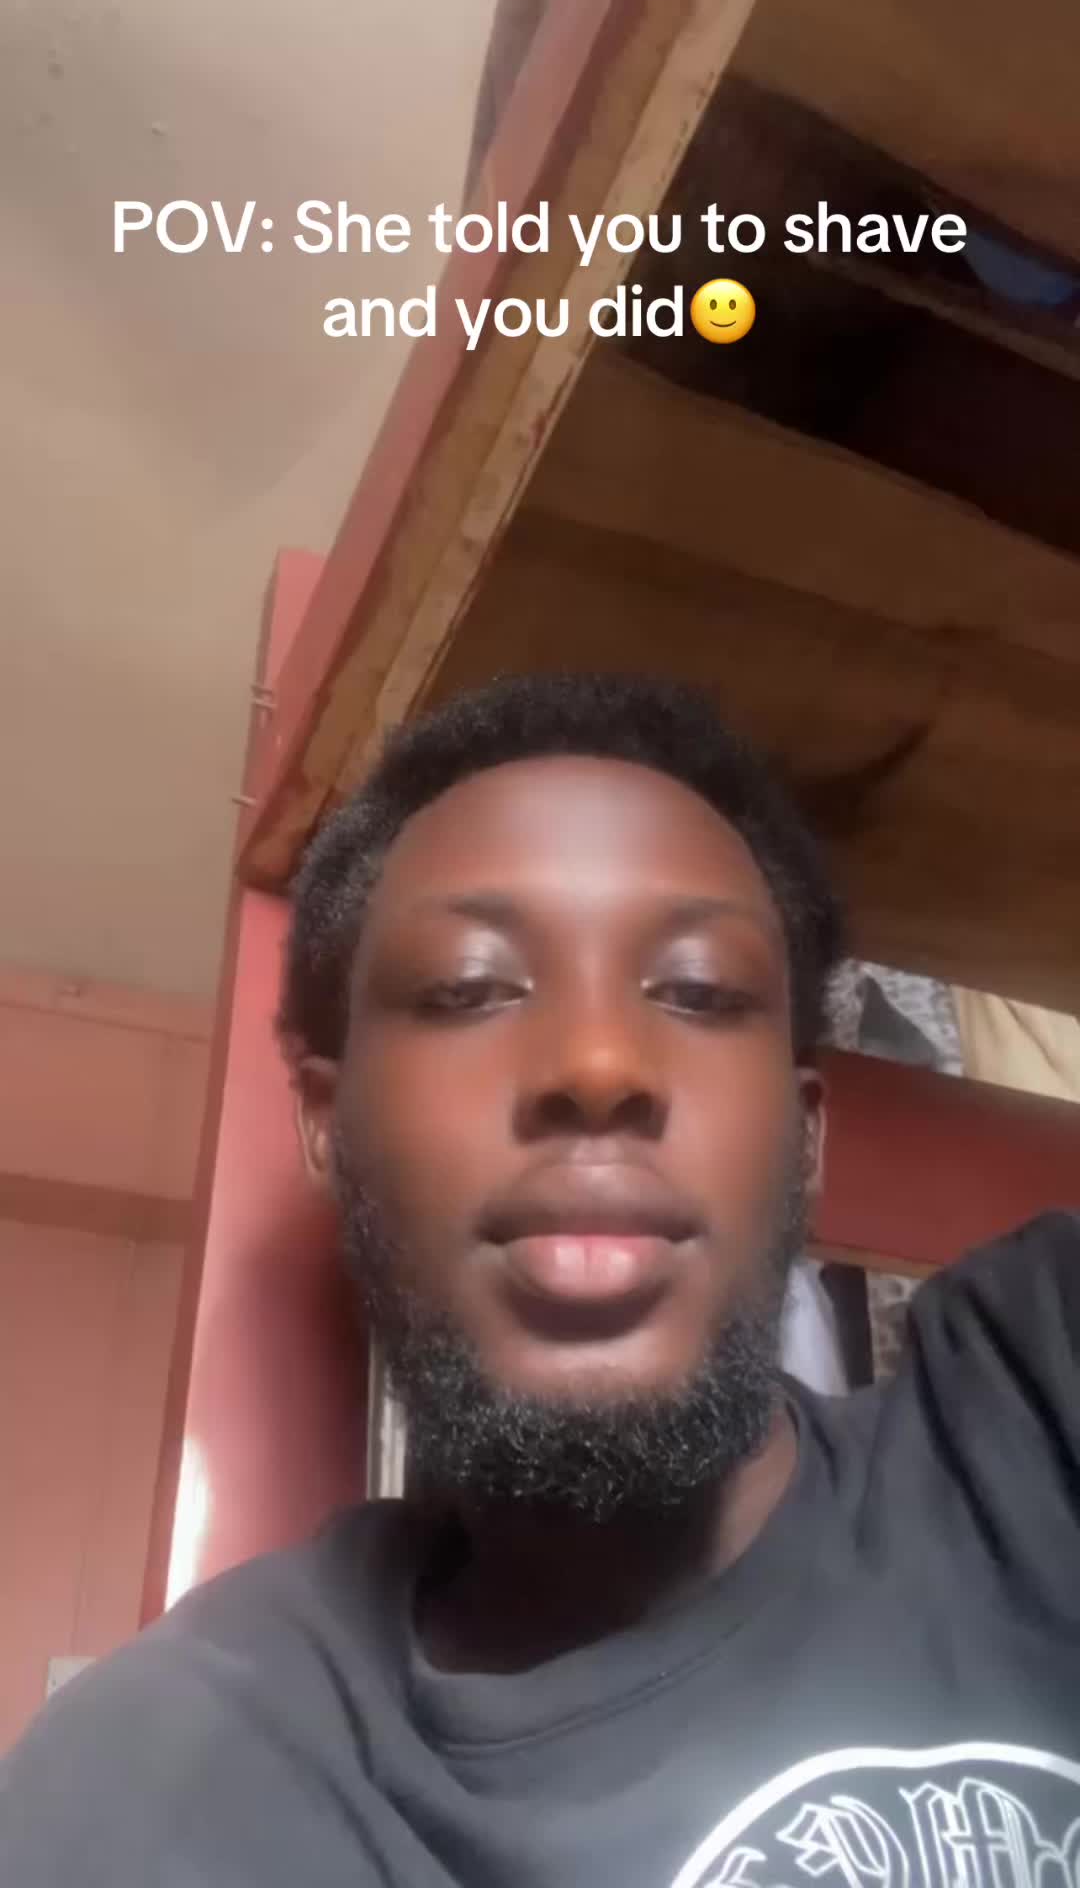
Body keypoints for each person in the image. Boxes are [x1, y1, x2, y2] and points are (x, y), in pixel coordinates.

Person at [3, 672, 1078, 1887]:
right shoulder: (165, 1778)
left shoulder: (1035, 1404)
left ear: (807, 1135)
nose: (600, 1064)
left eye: (700, 992)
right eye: (469, 988)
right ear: (327, 1123)